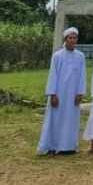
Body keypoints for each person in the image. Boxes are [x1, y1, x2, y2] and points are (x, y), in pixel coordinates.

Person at [37, 27, 87, 155]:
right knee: (55, 119)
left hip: (73, 95)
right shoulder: (57, 55)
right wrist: (52, 94)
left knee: (71, 119)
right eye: (70, 37)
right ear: (65, 39)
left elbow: (82, 75)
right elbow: (53, 75)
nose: (72, 40)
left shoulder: (80, 56)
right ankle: (52, 146)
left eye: (74, 37)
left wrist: (80, 93)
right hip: (59, 93)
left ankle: (68, 146)